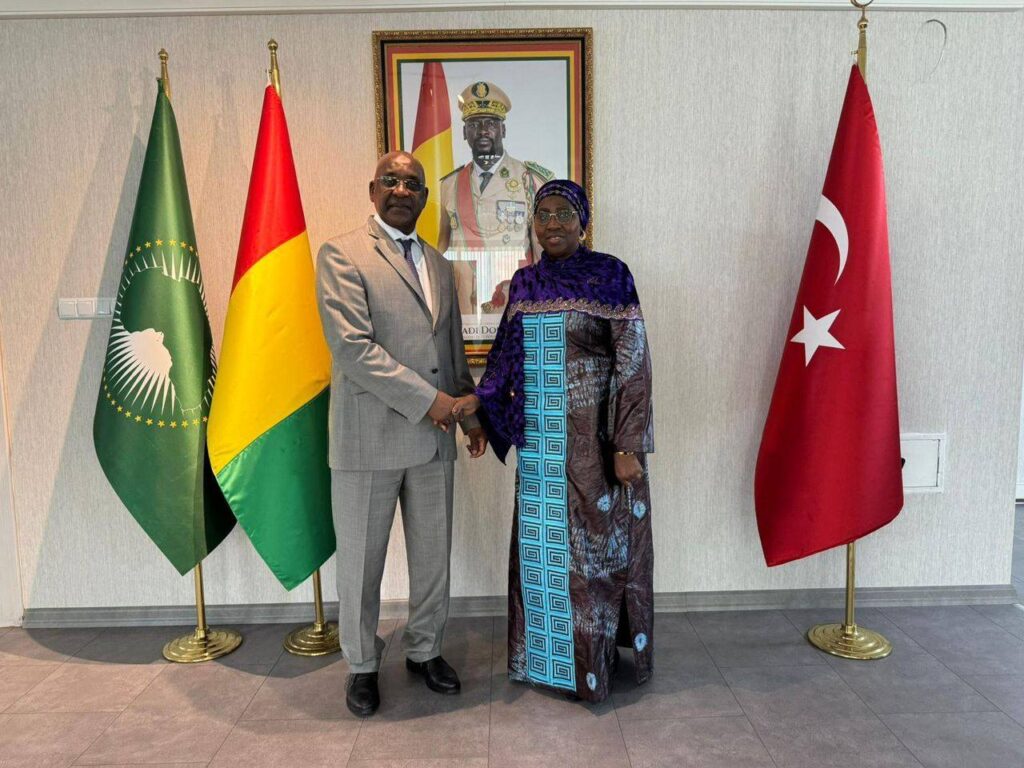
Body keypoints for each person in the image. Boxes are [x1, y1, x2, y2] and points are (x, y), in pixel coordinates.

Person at [451, 179, 654, 703]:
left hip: (595, 446)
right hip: (539, 449)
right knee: (541, 552)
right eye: (544, 214)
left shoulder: (610, 275)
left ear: (584, 221)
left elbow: (633, 363)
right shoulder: (526, 283)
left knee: (592, 556)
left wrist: (627, 445)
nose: (554, 223)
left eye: (565, 213)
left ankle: (592, 667)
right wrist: (478, 406)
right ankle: (544, 660)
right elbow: (504, 359)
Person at [316, 151, 488, 717]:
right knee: (360, 564)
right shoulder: (341, 254)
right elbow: (353, 350)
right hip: (368, 438)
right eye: (390, 180)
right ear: (373, 191)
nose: (401, 190)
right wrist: (432, 402)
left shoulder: (438, 263)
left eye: (412, 183)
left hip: (434, 440)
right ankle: (362, 664)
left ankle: (425, 650)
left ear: (424, 197)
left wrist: (468, 415)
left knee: (433, 557)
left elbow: (450, 350)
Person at [437, 81, 555, 316]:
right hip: (463, 306)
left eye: (491, 123)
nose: (482, 131)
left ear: (503, 130)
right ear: (464, 132)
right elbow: (443, 247)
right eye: (474, 124)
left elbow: (542, 254)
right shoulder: (449, 185)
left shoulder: (530, 180)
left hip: (513, 302)